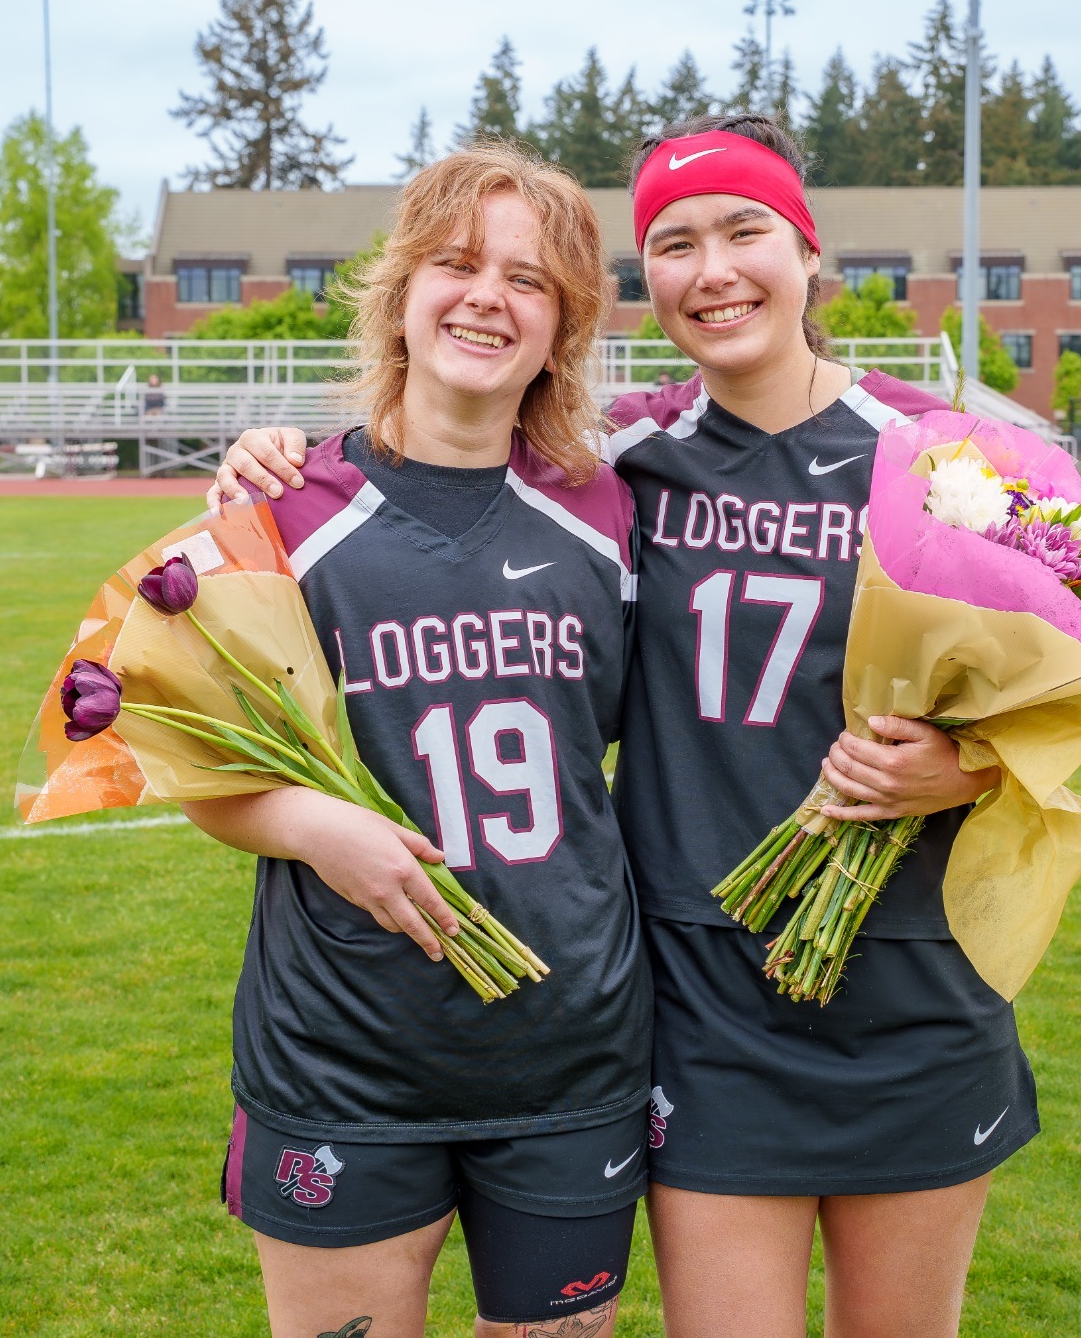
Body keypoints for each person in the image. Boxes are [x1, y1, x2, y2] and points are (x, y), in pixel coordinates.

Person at [211, 115, 1027, 1338]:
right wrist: (272, 457)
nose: (714, 269)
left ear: (809, 251)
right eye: (675, 245)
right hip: (698, 996)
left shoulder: (941, 460)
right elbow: (437, 459)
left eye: (745, 231)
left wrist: (963, 764)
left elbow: (1059, 686)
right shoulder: (621, 461)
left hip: (907, 972)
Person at [182, 143, 648, 1338]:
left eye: (527, 280)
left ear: (562, 327)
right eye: (456, 264)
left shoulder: (608, 512)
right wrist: (314, 826)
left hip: (568, 1049)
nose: (487, 297)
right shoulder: (279, 511)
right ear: (400, 292)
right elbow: (202, 765)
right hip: (342, 1051)